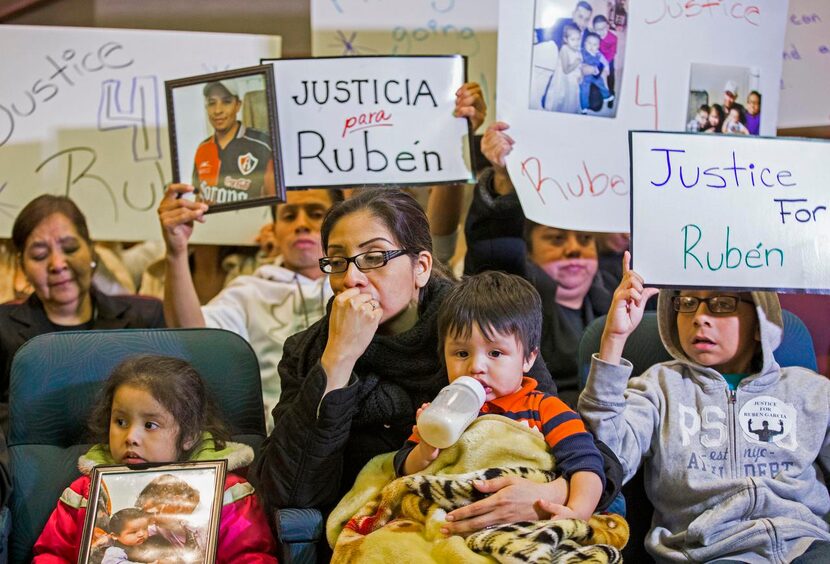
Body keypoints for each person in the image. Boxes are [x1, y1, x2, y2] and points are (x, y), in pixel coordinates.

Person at [253, 189, 622, 537]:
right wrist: (339, 359)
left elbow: (577, 446)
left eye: (373, 257)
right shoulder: (310, 350)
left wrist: (552, 495)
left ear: (421, 267)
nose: (351, 278)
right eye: (337, 261)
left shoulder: (481, 331)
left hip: (496, 529)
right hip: (381, 533)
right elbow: (289, 493)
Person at [578, 252, 830, 562]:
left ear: (760, 322)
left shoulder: (811, 391)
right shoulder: (659, 386)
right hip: (709, 551)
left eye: (722, 304)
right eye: (687, 303)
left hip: (806, 544)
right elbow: (607, 458)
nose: (699, 316)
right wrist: (614, 340)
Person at [396, 271, 604, 524]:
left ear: (528, 358)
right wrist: (425, 448)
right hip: (450, 519)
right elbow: (403, 471)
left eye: (495, 353)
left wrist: (577, 513)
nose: (476, 366)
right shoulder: (443, 411)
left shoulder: (544, 408)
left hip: (522, 521)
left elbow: (586, 463)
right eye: (461, 353)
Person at [32, 355, 278, 563]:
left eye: (150, 425)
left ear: (189, 435)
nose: (131, 437)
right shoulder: (85, 492)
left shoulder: (227, 493)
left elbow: (251, 555)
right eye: (120, 422)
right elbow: (52, 554)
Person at [159, 185, 341, 427]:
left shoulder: (358, 282)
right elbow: (195, 335)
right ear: (274, 230)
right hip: (272, 437)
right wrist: (176, 251)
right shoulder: (248, 291)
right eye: (288, 216)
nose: (301, 224)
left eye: (316, 214)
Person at [464, 121, 618, 407]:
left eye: (585, 239)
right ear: (529, 252)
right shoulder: (515, 300)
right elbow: (494, 247)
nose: (574, 249)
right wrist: (502, 180)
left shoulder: (617, 297)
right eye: (556, 239)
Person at [0, 195, 165, 431]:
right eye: (39, 255)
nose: (57, 264)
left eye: (69, 248)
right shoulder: (3, 327)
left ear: (92, 251)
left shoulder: (145, 317)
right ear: (22, 265)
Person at [192, 80, 276, 205]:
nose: (217, 110)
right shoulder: (202, 148)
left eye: (226, 102)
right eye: (212, 103)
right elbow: (199, 199)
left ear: (238, 105)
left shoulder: (264, 144)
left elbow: (274, 203)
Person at [546, 24, 583, 114]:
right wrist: (575, 63)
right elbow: (566, 70)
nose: (576, 42)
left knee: (572, 99)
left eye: (578, 39)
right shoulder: (564, 49)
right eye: (573, 39)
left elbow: (579, 67)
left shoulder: (577, 50)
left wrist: (581, 76)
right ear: (566, 39)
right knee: (561, 98)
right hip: (563, 81)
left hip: (573, 80)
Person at [579, 32, 614, 114]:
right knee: (584, 91)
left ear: (598, 46)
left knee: (602, 84)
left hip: (595, 75)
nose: (591, 46)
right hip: (585, 77)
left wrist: (607, 69)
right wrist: (582, 67)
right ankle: (584, 107)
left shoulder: (598, 54)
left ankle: (607, 96)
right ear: (584, 43)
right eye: (589, 43)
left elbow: (605, 62)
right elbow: (578, 62)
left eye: (595, 44)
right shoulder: (581, 52)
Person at [592, 14, 618, 97]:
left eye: (603, 28)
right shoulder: (595, 36)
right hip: (598, 57)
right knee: (595, 72)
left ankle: (611, 92)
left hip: (608, 58)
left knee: (610, 74)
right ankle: (595, 88)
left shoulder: (613, 38)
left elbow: (613, 52)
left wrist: (606, 63)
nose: (601, 32)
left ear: (607, 26)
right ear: (594, 29)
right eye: (598, 30)